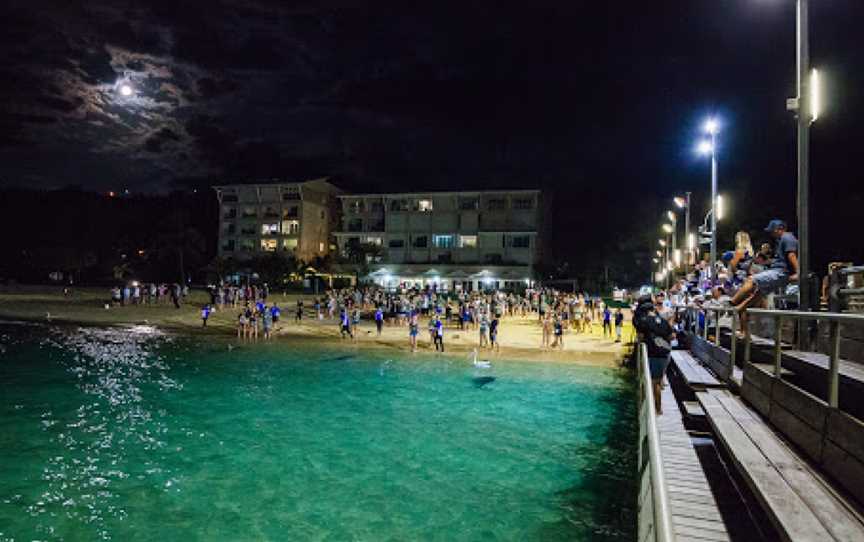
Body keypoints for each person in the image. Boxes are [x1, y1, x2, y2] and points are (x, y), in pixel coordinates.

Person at [731, 219, 799, 319]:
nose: (771, 233)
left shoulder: (787, 237)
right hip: (779, 271)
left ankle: (731, 303)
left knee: (752, 280)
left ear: (778, 229)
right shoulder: (781, 240)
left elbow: (791, 255)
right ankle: (741, 307)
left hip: (780, 272)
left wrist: (798, 272)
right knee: (759, 292)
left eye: (772, 230)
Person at [633, 295, 675, 415]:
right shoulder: (663, 321)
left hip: (652, 354)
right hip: (665, 355)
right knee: (657, 381)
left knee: (653, 383)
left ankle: (657, 409)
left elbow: (640, 337)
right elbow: (672, 336)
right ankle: (657, 408)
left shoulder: (644, 321)